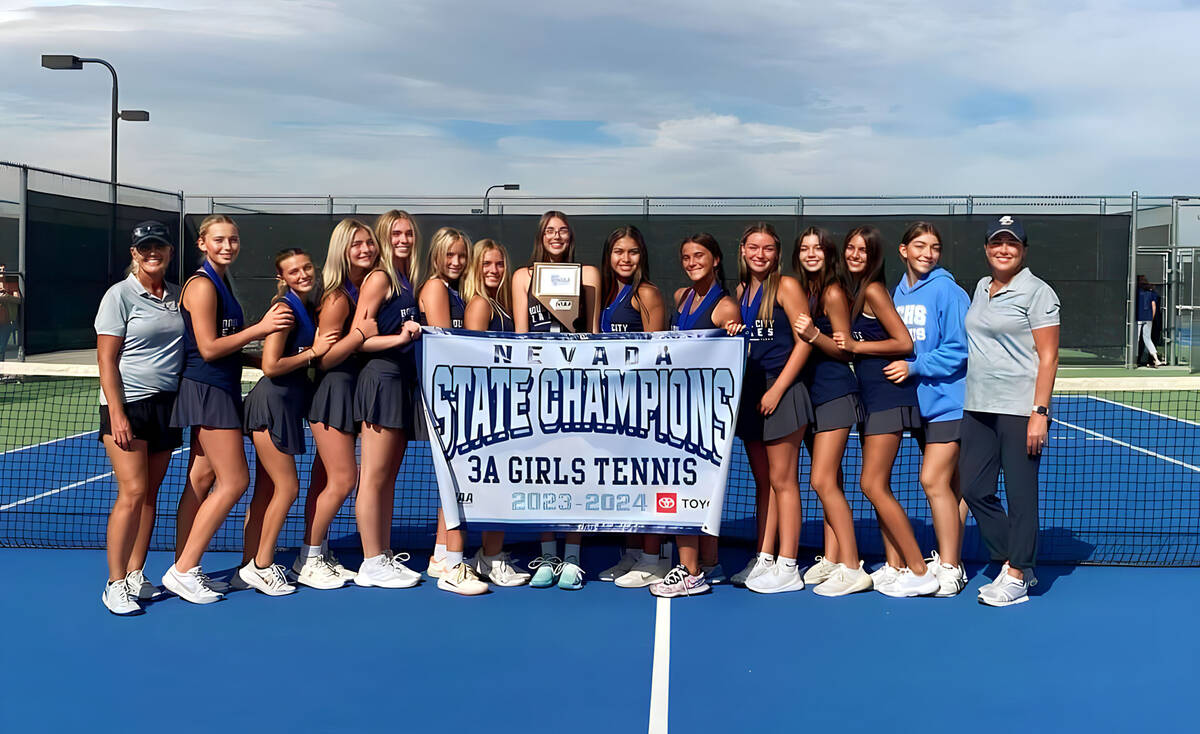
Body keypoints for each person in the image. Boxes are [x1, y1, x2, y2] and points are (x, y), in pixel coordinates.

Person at [164, 215, 294, 604]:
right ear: (202, 243)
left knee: (201, 480)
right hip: (207, 391)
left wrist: (266, 360)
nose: (228, 246)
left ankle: (186, 565)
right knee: (234, 482)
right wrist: (262, 328)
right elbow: (207, 348)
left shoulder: (223, 282)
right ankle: (183, 570)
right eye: (219, 240)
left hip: (220, 386)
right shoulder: (203, 285)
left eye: (233, 240)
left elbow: (228, 348)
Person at [961, 215, 1060, 607]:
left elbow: (1049, 356)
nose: (1004, 250)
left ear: (1023, 249)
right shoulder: (981, 287)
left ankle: (1017, 575)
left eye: (1012, 244)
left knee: (1021, 496)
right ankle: (1014, 558)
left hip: (1020, 409)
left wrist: (1040, 411)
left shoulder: (1038, 293)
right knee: (973, 488)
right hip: (977, 406)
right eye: (997, 243)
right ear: (987, 249)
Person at [835, 226, 936, 597]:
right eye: (851, 247)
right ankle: (894, 566)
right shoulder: (855, 292)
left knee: (871, 484)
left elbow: (903, 342)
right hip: (870, 396)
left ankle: (920, 569)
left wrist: (858, 349)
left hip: (888, 396)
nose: (855, 254)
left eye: (863, 250)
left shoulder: (875, 291)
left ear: (875, 255)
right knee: (880, 485)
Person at [95, 221, 184, 615]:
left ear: (169, 251)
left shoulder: (179, 295)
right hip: (128, 404)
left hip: (168, 405)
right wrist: (118, 413)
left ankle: (135, 574)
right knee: (131, 493)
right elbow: (106, 359)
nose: (153, 253)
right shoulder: (119, 296)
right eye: (145, 247)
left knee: (150, 495)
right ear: (134, 253)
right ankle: (114, 584)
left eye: (159, 246)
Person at [237, 249, 337, 596]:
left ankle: (247, 566)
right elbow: (272, 365)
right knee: (288, 487)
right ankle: (263, 566)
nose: (303, 274)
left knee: (266, 491)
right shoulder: (284, 310)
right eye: (293, 271)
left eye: (307, 267)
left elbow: (266, 357)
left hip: (287, 407)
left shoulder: (307, 308)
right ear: (283, 279)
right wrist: (314, 351)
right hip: (271, 406)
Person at [512, 211, 599, 591]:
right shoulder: (523, 277)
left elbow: (594, 333)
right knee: (542, 470)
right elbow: (519, 334)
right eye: (550, 230)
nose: (557, 235)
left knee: (578, 468)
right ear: (540, 236)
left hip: (578, 386)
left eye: (563, 230)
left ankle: (574, 558)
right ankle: (547, 553)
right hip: (538, 387)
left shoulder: (589, 275)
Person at [649, 233, 740, 598]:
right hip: (678, 407)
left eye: (699, 256)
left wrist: (733, 334)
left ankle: (689, 572)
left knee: (685, 486)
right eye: (686, 257)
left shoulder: (725, 307)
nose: (691, 263)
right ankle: (710, 561)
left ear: (716, 260)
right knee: (697, 486)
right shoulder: (681, 298)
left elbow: (727, 357)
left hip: (703, 414)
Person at [292, 218, 380, 589]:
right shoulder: (337, 298)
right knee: (344, 478)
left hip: (349, 390)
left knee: (324, 478)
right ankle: (308, 558)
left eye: (369, 243)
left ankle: (318, 552)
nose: (365, 249)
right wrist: (360, 334)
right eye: (356, 244)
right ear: (342, 250)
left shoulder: (362, 290)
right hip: (331, 391)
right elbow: (323, 358)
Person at [729, 222, 814, 595]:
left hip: (783, 393)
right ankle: (765, 557)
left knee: (784, 481)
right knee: (764, 482)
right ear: (743, 251)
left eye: (767, 249)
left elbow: (804, 343)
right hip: (751, 394)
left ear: (777, 254)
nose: (759, 255)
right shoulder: (741, 292)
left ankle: (789, 564)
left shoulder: (787, 286)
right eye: (753, 247)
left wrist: (778, 390)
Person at [886, 221, 970, 597]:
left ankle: (950, 568)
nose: (927, 253)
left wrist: (915, 367)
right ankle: (953, 556)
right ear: (904, 250)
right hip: (916, 404)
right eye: (919, 245)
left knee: (932, 480)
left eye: (934, 247)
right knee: (950, 486)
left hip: (950, 403)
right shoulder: (897, 293)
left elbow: (959, 348)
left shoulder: (949, 292)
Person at [790, 227, 872, 597]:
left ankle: (853, 568)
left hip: (836, 394)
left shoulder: (834, 292)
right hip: (812, 397)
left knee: (821, 480)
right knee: (832, 481)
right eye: (805, 248)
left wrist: (813, 337)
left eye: (817, 249)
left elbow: (847, 350)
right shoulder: (803, 290)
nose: (811, 254)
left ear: (829, 254)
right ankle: (833, 556)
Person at [594, 226, 671, 589]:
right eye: (619, 252)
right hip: (610, 404)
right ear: (609, 255)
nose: (626, 259)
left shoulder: (647, 294)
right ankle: (632, 550)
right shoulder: (607, 294)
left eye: (633, 252)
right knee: (621, 478)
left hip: (640, 403)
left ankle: (654, 558)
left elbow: (657, 355)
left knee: (646, 478)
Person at [351, 214, 425, 589]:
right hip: (379, 380)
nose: (403, 239)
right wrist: (399, 338)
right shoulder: (380, 278)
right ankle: (370, 561)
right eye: (396, 233)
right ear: (384, 238)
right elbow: (359, 336)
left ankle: (382, 554)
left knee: (389, 478)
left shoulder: (408, 279)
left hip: (402, 383)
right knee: (373, 477)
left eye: (409, 232)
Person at [418, 227, 489, 595]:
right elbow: (446, 344)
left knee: (454, 477)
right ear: (437, 256)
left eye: (462, 255)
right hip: (444, 397)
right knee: (452, 477)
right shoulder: (435, 288)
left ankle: (441, 553)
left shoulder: (457, 291)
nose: (457, 261)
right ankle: (448, 560)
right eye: (450, 255)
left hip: (456, 396)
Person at [461, 238, 531, 586]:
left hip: (506, 406)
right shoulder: (479, 306)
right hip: (490, 411)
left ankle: (492, 554)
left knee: (503, 484)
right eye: (487, 264)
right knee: (494, 485)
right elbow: (475, 362)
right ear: (476, 267)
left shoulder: (500, 304)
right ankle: (488, 557)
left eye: (499, 264)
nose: (493, 270)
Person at [1137, 275, 1163, 367]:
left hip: (1138, 318)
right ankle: (1156, 359)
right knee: (1147, 338)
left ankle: (1134, 359)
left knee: (1135, 339)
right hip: (1148, 318)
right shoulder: (1151, 293)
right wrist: (1151, 317)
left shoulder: (1136, 292)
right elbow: (1153, 305)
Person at [0, 265, 20, 363]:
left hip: (6, 322)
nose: (3, 272)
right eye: (0, 269)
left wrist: (7, 297)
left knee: (1, 347)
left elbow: (19, 299)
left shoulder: (12, 284)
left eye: (4, 270)